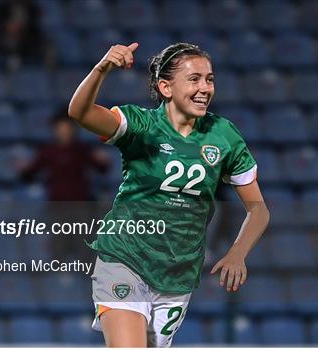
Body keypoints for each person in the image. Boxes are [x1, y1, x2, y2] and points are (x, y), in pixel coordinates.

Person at [68, 42, 270, 347]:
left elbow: (259, 210)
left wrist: (237, 253)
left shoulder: (223, 135)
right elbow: (79, 112)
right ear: (165, 87)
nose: (205, 88)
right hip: (125, 258)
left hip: (178, 275)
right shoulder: (141, 125)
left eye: (209, 79)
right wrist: (102, 69)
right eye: (194, 79)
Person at [19, 110, 110, 260]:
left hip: (81, 207)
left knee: (84, 250)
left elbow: (102, 168)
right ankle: (59, 281)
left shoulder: (82, 150)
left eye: (67, 128)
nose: (64, 132)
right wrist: (23, 169)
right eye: (61, 128)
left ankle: (82, 281)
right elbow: (28, 174)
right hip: (57, 207)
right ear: (55, 130)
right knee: (59, 249)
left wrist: (103, 161)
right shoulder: (48, 151)